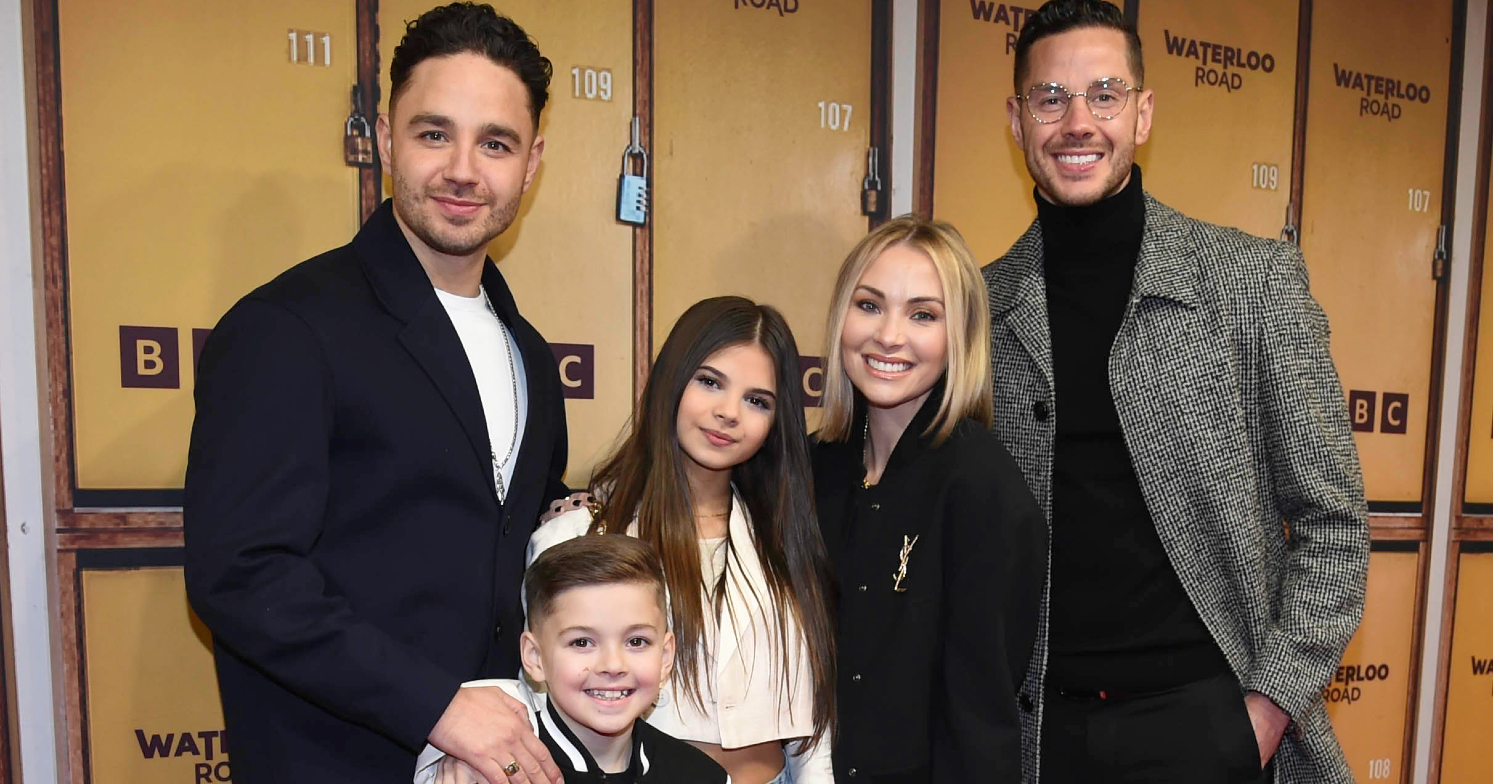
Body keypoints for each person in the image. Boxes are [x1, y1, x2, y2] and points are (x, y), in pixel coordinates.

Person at [184, 5, 570, 783]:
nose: (464, 169)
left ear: (530, 166)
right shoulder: (287, 327)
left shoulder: (526, 350)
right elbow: (244, 574)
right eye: (434, 134)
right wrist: (437, 705)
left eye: (495, 143)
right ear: (386, 140)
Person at [985, 2, 1371, 782]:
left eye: (1104, 93)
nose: (1077, 121)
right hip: (1042, 738)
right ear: (1018, 120)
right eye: (1049, 98)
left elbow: (1333, 524)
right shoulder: (982, 308)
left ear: (1143, 111)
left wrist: (1263, 714)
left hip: (1207, 726)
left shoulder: (1251, 283)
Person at [533, 296, 837, 784]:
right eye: (710, 382)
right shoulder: (579, 535)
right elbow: (539, 708)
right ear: (672, 380)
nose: (728, 413)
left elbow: (813, 730)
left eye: (757, 400)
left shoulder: (789, 542)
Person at [809, 216, 1047, 783]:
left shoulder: (982, 490)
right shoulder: (816, 465)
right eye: (869, 305)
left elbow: (980, 718)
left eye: (923, 314)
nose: (889, 336)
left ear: (959, 336)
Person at [416, 535, 731, 784]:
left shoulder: (705, 776)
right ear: (535, 657)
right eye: (582, 642)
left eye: (637, 641)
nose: (613, 665)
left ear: (665, 656)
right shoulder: (489, 771)